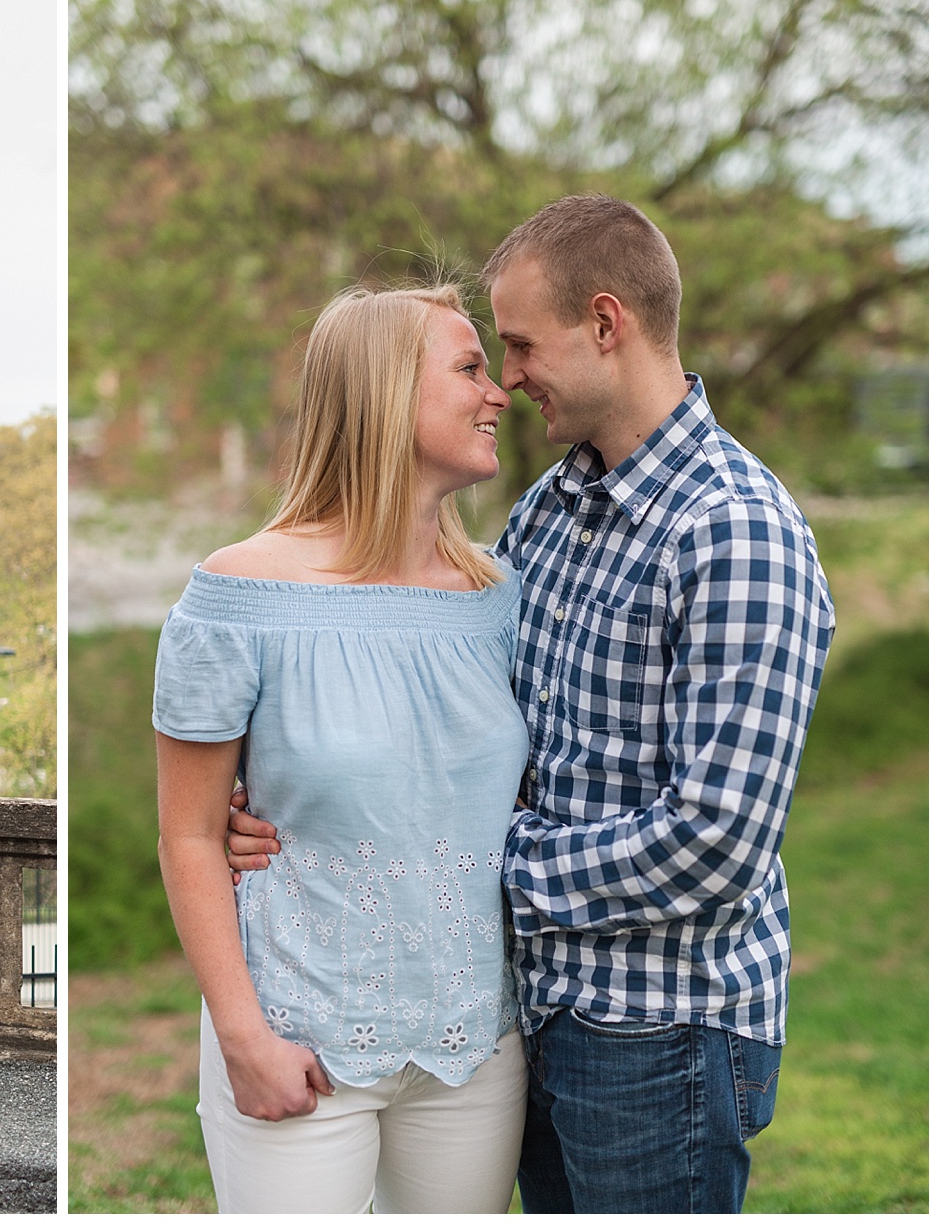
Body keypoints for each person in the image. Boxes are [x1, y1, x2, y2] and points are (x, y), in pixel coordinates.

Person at [229, 195, 835, 1212]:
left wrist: (478, 859)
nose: (508, 379)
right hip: (535, 1007)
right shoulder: (552, 511)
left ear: (607, 324)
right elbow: (462, 729)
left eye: (518, 345)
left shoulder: (736, 533)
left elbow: (718, 837)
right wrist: (296, 804)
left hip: (661, 1028)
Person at [155, 283, 528, 1213]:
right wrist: (245, 1040)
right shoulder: (236, 596)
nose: (500, 392)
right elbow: (191, 835)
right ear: (385, 393)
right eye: (470, 368)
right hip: (296, 1036)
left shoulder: (500, 600)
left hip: (475, 1045)